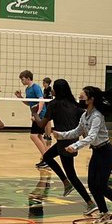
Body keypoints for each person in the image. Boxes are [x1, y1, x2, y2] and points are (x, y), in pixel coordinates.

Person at [60, 86, 112, 224]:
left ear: (91, 99)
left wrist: (75, 146)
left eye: (82, 98)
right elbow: (77, 131)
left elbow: (92, 136)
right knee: (93, 186)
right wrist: (61, 135)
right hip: (97, 152)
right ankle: (105, 214)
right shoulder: (85, 115)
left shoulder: (97, 116)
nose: (79, 100)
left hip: (106, 152)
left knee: (102, 186)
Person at [35, 78, 95, 216]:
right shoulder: (74, 105)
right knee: (47, 157)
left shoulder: (53, 104)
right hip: (72, 139)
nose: (53, 90)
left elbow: (41, 125)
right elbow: (85, 119)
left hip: (64, 142)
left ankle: (90, 203)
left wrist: (35, 115)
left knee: (72, 174)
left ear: (57, 90)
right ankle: (66, 182)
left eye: (54, 88)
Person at [14, 70, 48, 166]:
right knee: (39, 136)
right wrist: (20, 97)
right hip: (36, 114)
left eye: (23, 79)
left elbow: (41, 101)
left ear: (28, 78)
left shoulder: (36, 87)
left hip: (40, 115)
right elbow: (29, 103)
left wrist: (36, 114)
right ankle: (48, 158)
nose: (22, 81)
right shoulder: (27, 89)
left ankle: (46, 159)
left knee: (33, 136)